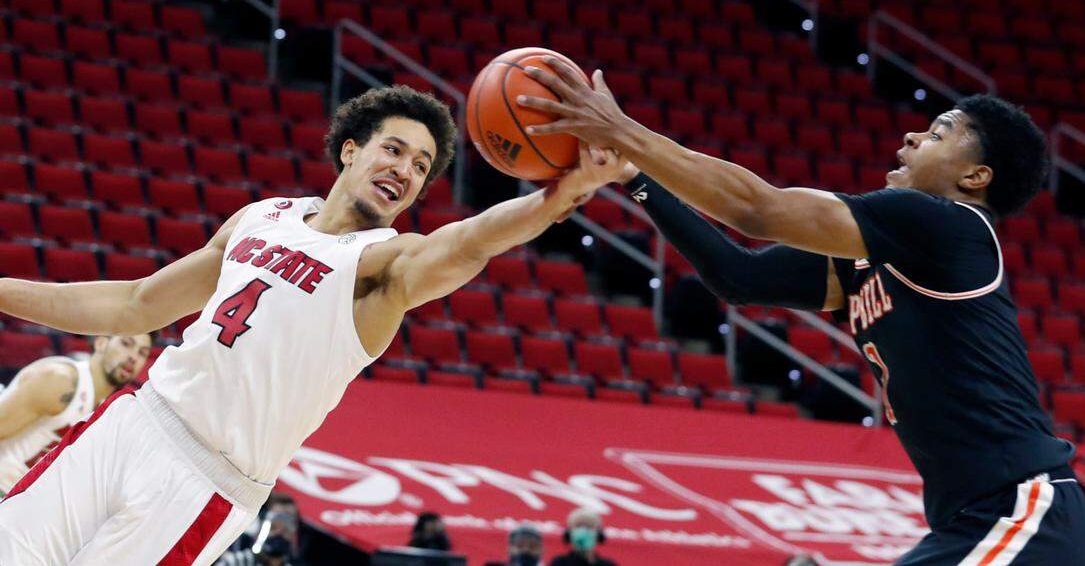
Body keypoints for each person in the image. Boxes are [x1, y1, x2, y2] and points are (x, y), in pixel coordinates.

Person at [0, 85, 627, 564]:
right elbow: (136, 304)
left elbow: (469, 243)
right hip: (134, 420)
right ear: (350, 150)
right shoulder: (263, 217)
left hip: (201, 481)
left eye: (421, 166)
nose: (406, 170)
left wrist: (567, 189)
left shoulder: (380, 270)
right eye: (395, 149)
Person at [518, 63, 1085, 565]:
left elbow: (758, 209)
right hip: (974, 517)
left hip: (1024, 508)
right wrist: (635, 177)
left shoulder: (947, 225)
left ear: (975, 177)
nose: (912, 135)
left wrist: (619, 130)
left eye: (939, 133)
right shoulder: (873, 256)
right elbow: (738, 276)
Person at [0, 333, 151, 495]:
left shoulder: (105, 409)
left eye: (142, 353)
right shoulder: (61, 380)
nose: (133, 357)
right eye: (126, 343)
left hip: (18, 502)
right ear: (100, 343)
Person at [214, 492, 308, 566]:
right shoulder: (236, 562)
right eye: (274, 526)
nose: (280, 533)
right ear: (261, 527)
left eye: (287, 528)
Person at [549, 508, 615, 566]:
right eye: (578, 526)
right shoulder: (559, 563)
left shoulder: (608, 564)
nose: (583, 530)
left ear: (599, 535)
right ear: (569, 533)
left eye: (589, 526)